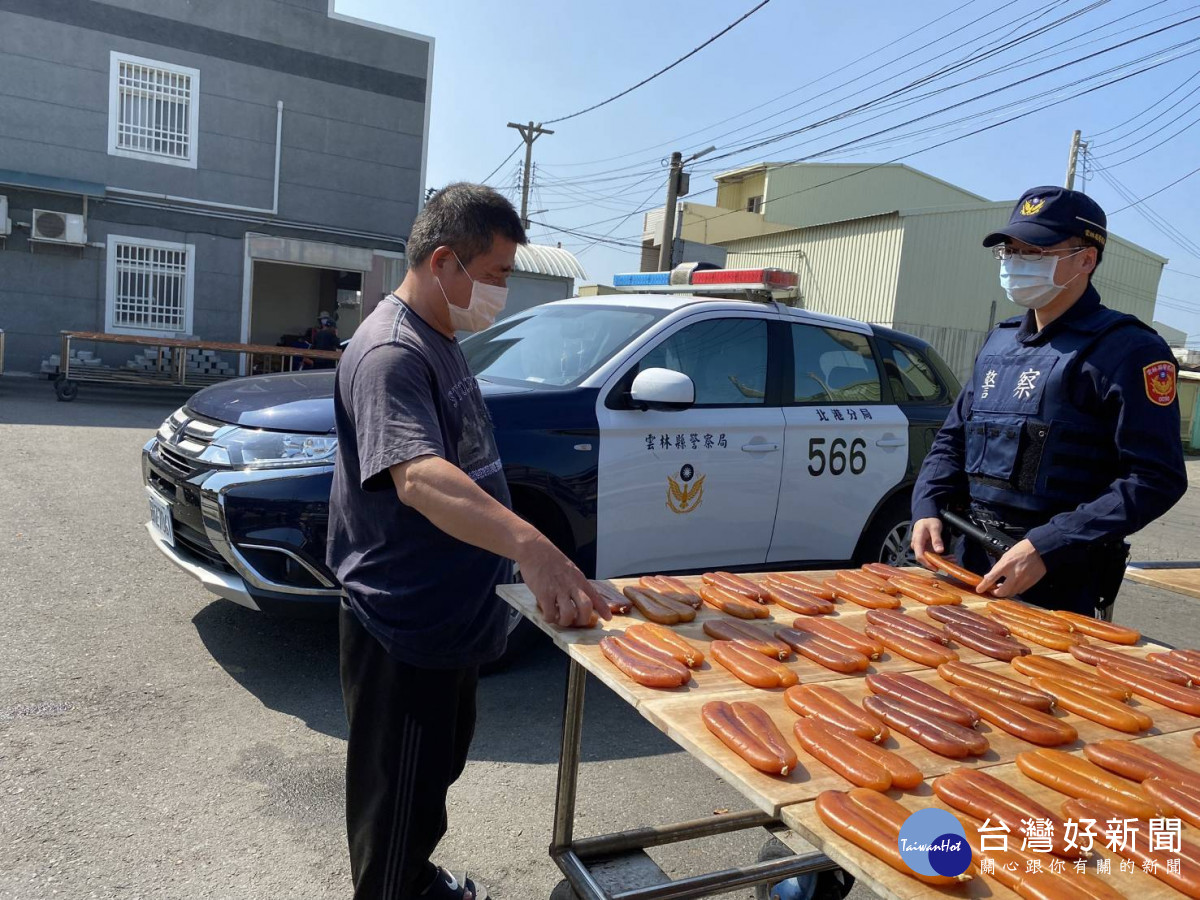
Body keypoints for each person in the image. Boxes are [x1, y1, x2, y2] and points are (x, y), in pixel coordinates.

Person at [327, 183, 607, 900]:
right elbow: (419, 477)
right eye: (499, 273)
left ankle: (418, 883)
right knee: (397, 806)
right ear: (445, 262)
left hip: (450, 617)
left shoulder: (442, 337)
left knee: (429, 783)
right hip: (407, 624)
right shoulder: (392, 352)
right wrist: (531, 544)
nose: (505, 291)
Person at [911, 186, 1188, 616]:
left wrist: (1047, 544)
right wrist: (927, 503)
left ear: (1086, 259)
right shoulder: (999, 342)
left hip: (1056, 577)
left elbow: (1155, 478)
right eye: (1011, 250)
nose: (1018, 261)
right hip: (966, 562)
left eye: (1036, 250)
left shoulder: (1129, 350)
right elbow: (952, 440)